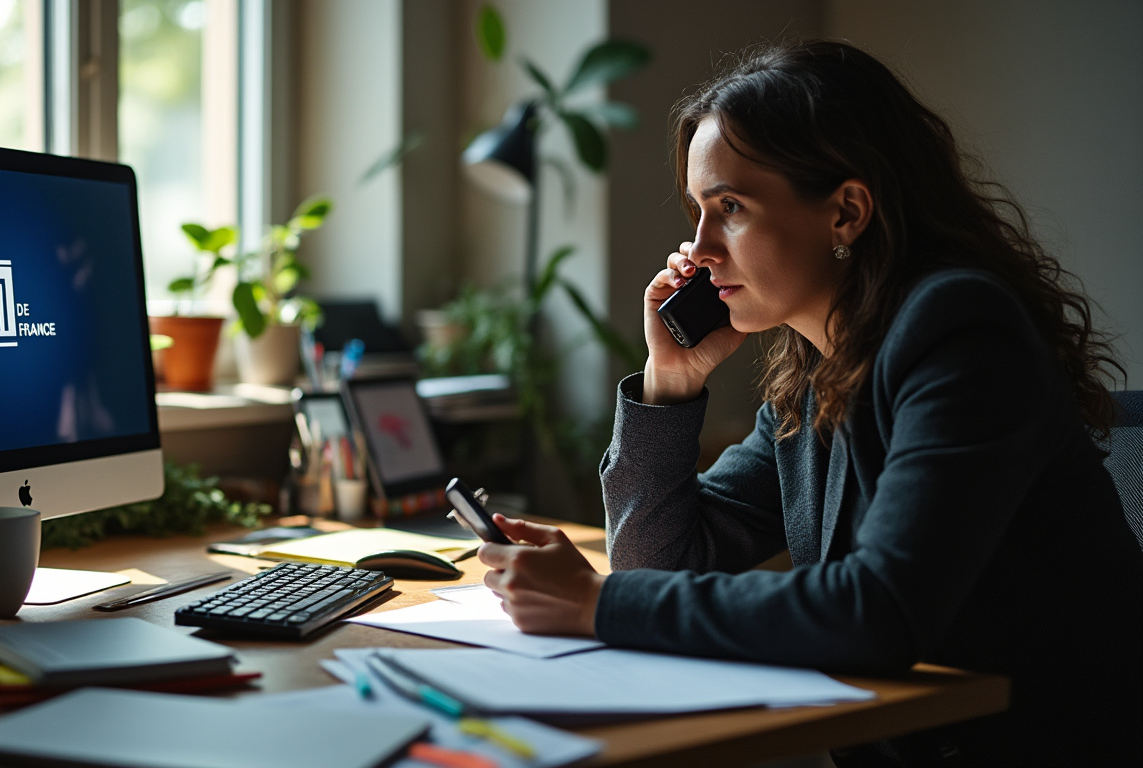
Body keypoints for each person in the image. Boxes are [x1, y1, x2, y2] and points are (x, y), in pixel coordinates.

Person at [477, 39, 1142, 766]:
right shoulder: (817, 376)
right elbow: (656, 566)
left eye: (729, 207)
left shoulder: (961, 332)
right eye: (699, 211)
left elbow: (876, 611)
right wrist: (670, 382)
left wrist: (592, 605)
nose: (697, 249)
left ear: (847, 212)